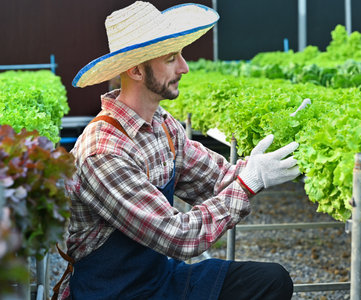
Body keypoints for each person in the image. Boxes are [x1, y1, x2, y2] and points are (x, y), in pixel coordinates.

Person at [54, 2, 300, 299]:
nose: (184, 67)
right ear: (135, 70)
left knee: (272, 280)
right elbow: (180, 237)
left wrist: (266, 158)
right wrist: (250, 182)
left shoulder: (162, 125)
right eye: (171, 58)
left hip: (158, 280)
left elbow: (216, 180)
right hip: (115, 293)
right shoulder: (103, 152)